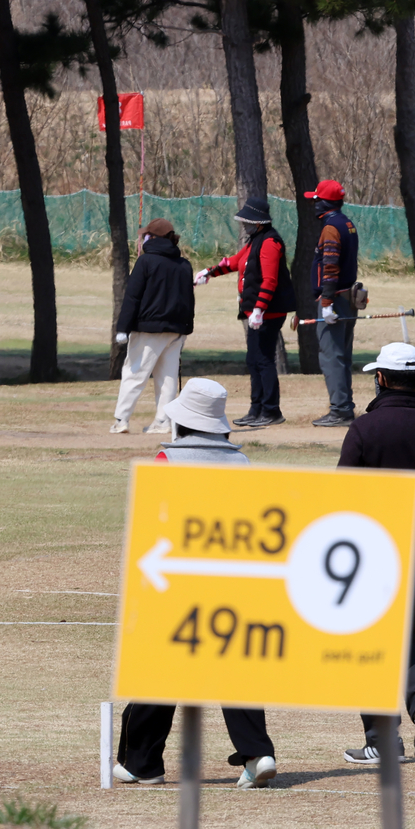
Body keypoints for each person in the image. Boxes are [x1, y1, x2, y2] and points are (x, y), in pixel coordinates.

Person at [115, 378, 279, 789]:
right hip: (232, 578)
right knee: (232, 667)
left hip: (178, 579)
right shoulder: (239, 462)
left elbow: (152, 523)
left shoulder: (167, 458)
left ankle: (143, 763)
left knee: (160, 666)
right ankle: (258, 754)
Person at [338, 342, 415, 763]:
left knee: (367, 639)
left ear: (381, 379)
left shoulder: (362, 430)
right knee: (400, 633)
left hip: (369, 553)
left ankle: (380, 738)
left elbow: (342, 499)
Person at [195, 198, 295, 428]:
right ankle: (256, 408)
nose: (244, 225)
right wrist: (209, 273)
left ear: (258, 222)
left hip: (267, 314)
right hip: (256, 313)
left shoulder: (270, 242)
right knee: (254, 361)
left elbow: (269, 280)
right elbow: (234, 262)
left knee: (263, 361)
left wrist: (259, 309)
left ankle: (270, 410)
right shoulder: (255, 241)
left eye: (247, 221)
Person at [110, 218, 195, 434]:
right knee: (167, 377)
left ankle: (121, 420)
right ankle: (163, 421)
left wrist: (123, 328)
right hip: (176, 330)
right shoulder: (184, 265)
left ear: (153, 238)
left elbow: (132, 297)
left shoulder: (146, 262)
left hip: (148, 329)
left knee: (134, 373)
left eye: (146, 235)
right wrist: (186, 328)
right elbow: (189, 300)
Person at [308, 179, 361, 428]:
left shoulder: (331, 228)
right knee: (342, 355)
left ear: (324, 202)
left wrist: (327, 302)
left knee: (331, 356)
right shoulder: (346, 222)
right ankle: (344, 406)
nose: (314, 203)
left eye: (317, 199)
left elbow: (330, 268)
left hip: (336, 299)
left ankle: (340, 410)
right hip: (347, 297)